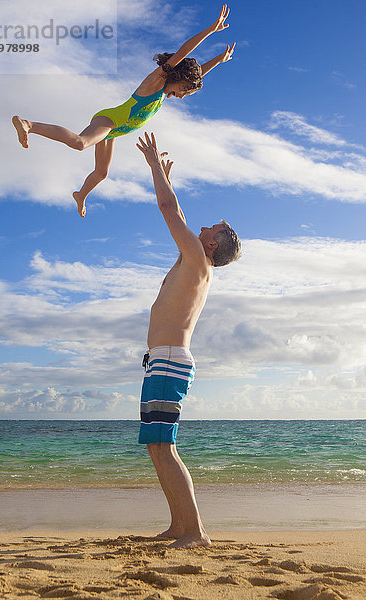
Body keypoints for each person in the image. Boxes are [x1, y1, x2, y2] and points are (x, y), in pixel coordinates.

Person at [12, 5, 235, 218]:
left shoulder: (165, 93)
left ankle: (81, 195)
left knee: (101, 173)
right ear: (178, 77)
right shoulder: (156, 82)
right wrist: (210, 30)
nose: (183, 96)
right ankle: (29, 125)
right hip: (109, 119)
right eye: (184, 90)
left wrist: (219, 60)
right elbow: (184, 52)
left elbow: (197, 75)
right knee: (80, 143)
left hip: (114, 131)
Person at [136, 132, 241, 548]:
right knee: (156, 446)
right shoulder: (192, 258)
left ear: (212, 244)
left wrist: (154, 171)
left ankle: (194, 531)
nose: (200, 226)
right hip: (162, 360)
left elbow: (168, 208)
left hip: (168, 360)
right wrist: (164, 175)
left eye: (209, 227)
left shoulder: (198, 260)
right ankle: (180, 526)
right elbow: (175, 208)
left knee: (163, 444)